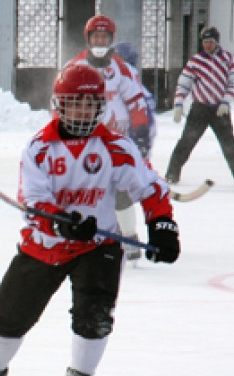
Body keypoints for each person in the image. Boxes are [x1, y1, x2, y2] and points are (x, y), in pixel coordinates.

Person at [0, 64, 180, 376]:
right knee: (9, 314)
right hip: (44, 245)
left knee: (95, 316)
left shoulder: (116, 146)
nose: (82, 112)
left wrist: (162, 225)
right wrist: (64, 225)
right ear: (59, 105)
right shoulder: (39, 149)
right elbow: (35, 204)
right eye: (74, 104)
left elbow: (150, 186)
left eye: (89, 105)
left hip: (97, 248)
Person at [63, 15, 154, 262]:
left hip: (115, 140)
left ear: (111, 39)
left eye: (104, 36)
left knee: (121, 189)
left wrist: (142, 134)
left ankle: (129, 237)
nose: (100, 40)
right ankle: (81, 237)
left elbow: (136, 103)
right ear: (88, 38)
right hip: (84, 141)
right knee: (82, 190)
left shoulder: (122, 69)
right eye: (96, 36)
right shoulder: (75, 67)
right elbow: (60, 101)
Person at [166, 27, 234, 185]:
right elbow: (184, 83)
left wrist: (226, 101)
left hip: (219, 110)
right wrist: (178, 104)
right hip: (200, 108)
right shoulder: (195, 61)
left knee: (229, 143)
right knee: (186, 142)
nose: (208, 45)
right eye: (205, 42)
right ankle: (172, 174)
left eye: (211, 42)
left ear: (217, 42)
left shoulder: (227, 59)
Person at [112, 41, 159, 263]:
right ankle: (124, 237)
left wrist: (141, 148)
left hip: (126, 150)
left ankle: (128, 238)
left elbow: (145, 122)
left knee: (121, 195)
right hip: (116, 148)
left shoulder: (133, 87)